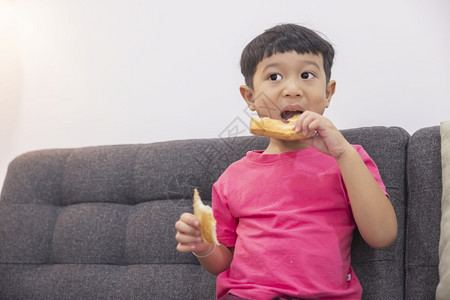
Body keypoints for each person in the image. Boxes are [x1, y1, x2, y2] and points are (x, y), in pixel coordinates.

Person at [175, 23, 398, 299]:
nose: (292, 89)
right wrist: (203, 245)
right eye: (274, 76)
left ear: (328, 93)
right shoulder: (232, 178)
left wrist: (343, 152)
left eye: (306, 75)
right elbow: (224, 262)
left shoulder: (348, 159)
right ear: (250, 97)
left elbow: (383, 235)